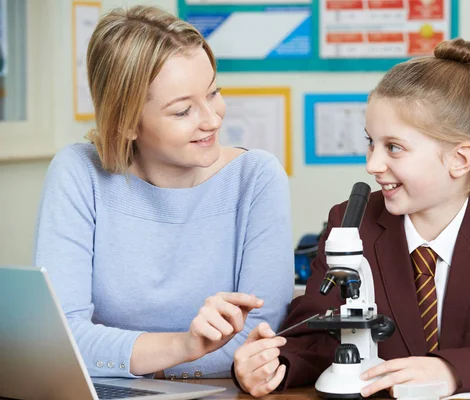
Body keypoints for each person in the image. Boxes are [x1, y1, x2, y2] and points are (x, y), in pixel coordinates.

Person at [232, 38, 470, 397]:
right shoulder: (350, 222)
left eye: (394, 147)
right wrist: (273, 364)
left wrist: (451, 370)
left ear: (461, 159)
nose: (372, 164)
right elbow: (314, 336)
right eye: (370, 142)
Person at [33, 5, 293, 380]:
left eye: (213, 92)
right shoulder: (79, 173)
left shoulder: (256, 178)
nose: (212, 118)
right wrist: (185, 346)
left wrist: (124, 354)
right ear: (126, 123)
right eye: (183, 110)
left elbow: (258, 343)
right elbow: (60, 341)